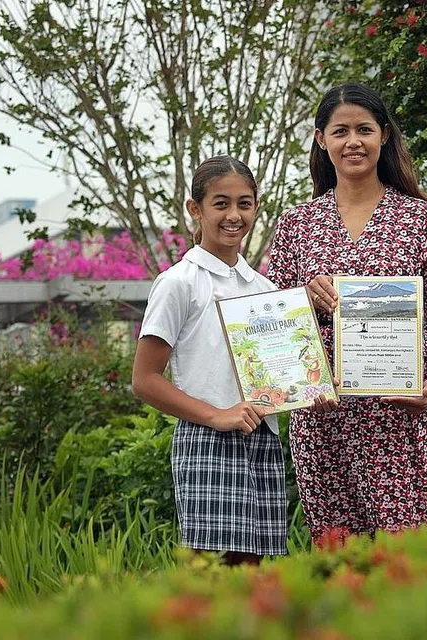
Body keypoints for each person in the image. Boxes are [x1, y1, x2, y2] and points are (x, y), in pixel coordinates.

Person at [266, 83, 427, 543]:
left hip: (402, 420)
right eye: (340, 131)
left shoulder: (422, 220)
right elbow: (270, 321)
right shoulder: (298, 224)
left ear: (385, 136)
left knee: (419, 561)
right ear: (321, 140)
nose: (352, 141)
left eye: (364, 129)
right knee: (343, 566)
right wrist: (303, 296)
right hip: (324, 424)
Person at [132, 156, 288, 566]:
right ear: (195, 210)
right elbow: (145, 379)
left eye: (245, 203)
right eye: (221, 204)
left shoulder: (265, 288)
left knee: (252, 578)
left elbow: (275, 378)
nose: (234, 215)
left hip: (261, 438)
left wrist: (311, 392)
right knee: (214, 577)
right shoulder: (179, 283)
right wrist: (217, 415)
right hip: (207, 439)